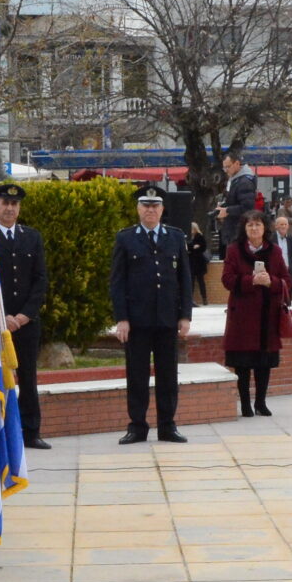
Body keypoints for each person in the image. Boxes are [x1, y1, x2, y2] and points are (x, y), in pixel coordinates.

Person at [109, 187, 191, 444]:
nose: (150, 210)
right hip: (138, 320)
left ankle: (167, 426)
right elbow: (117, 282)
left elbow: (184, 279)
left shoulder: (175, 237)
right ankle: (137, 427)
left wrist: (185, 316)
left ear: (162, 209)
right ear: (138, 209)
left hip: (167, 318)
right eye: (145, 205)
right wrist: (122, 318)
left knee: (168, 376)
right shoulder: (126, 238)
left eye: (155, 206)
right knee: (137, 376)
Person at [0, 183, 53, 449]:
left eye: (14, 204)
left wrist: (25, 315)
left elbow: (40, 280)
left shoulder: (32, 237)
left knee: (28, 377)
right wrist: (2, 316)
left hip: (26, 323)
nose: (10, 208)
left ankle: (31, 432)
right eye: (5, 203)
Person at [220, 209, 290, 417]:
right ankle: (245, 404)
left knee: (263, 363)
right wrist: (250, 281)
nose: (254, 228)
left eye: (258, 224)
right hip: (242, 315)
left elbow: (287, 280)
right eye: (250, 225)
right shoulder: (234, 250)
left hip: (267, 315)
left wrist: (271, 282)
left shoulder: (275, 251)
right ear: (244, 228)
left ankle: (261, 402)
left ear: (265, 227)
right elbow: (227, 279)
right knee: (242, 364)